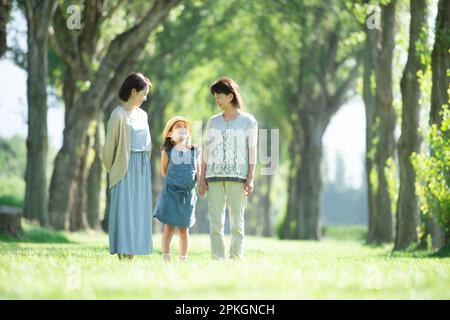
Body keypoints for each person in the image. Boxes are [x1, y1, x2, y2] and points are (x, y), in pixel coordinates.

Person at [199, 76, 258, 260]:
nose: (216, 100)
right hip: (214, 177)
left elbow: (252, 152)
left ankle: (235, 258)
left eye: (219, 96)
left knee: (236, 222)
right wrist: (202, 177)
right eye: (215, 97)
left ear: (231, 96)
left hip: (238, 178)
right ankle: (217, 258)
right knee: (216, 222)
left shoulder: (249, 121)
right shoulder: (213, 122)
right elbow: (206, 151)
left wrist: (250, 178)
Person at [102, 72, 153, 261]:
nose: (145, 97)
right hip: (124, 167)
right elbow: (109, 149)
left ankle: (133, 254)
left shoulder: (143, 115)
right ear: (133, 91)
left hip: (141, 168)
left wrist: (145, 164)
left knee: (139, 211)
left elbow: (147, 143)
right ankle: (123, 255)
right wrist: (113, 170)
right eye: (144, 93)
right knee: (125, 211)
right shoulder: (118, 116)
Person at [154, 116, 201, 262]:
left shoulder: (195, 150)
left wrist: (202, 183)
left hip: (188, 196)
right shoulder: (167, 151)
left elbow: (198, 171)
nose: (182, 128)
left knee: (183, 229)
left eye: (184, 126)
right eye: (178, 127)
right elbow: (164, 171)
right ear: (170, 134)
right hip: (171, 194)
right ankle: (166, 258)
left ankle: (183, 258)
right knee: (169, 228)